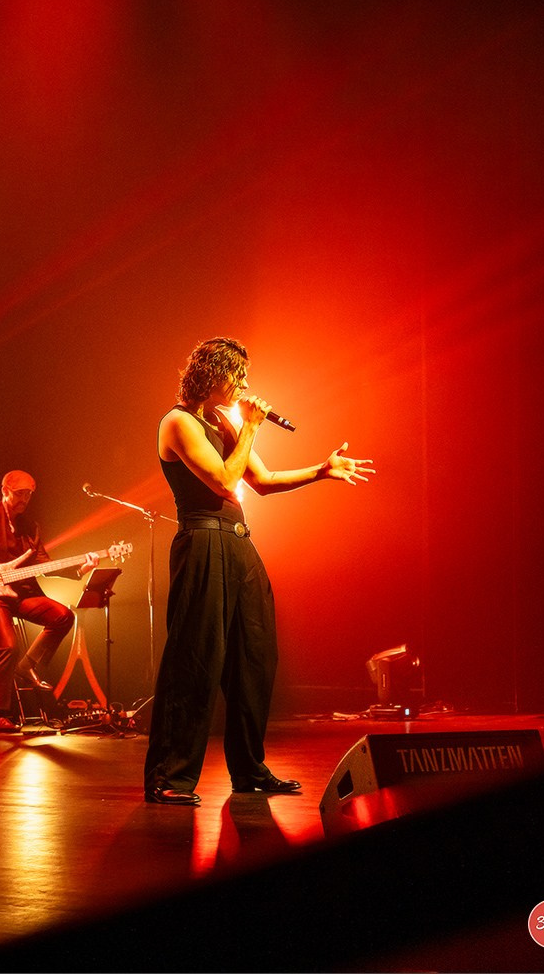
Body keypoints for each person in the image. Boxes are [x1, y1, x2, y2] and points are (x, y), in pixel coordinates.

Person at [144, 337, 376, 804]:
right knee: (196, 655)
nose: (246, 385)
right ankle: (171, 775)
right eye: (239, 375)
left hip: (238, 543)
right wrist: (249, 425)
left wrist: (321, 470)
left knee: (256, 655)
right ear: (214, 374)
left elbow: (263, 483)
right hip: (203, 539)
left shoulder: (222, 424)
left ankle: (248, 769)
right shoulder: (178, 423)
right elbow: (227, 482)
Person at [0, 470, 99, 732]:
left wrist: (80, 569)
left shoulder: (31, 528)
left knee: (63, 616)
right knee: (8, 645)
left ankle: (26, 666)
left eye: (29, 495)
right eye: (20, 494)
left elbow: (45, 565)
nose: (25, 499)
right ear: (4, 490)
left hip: (21, 593)